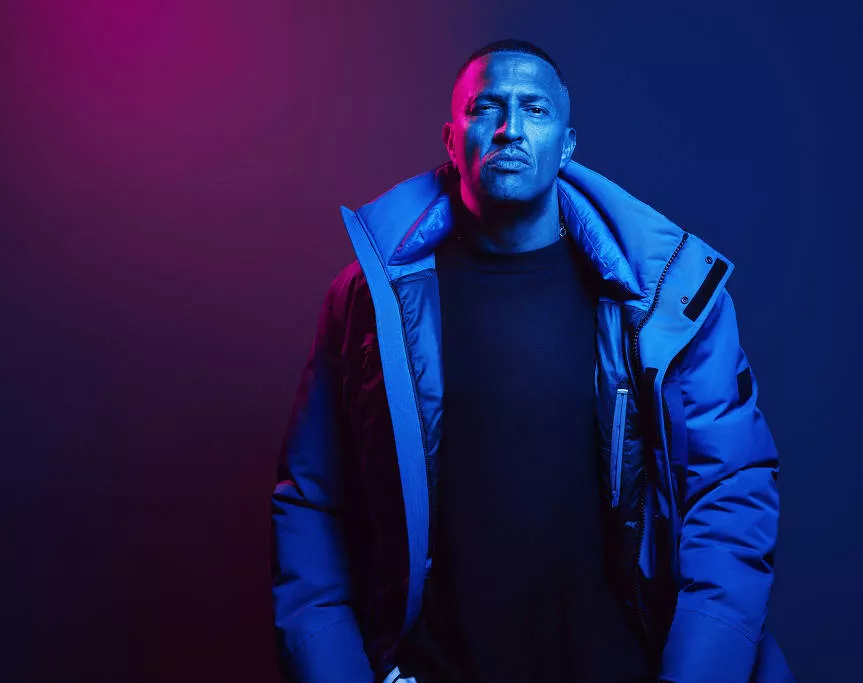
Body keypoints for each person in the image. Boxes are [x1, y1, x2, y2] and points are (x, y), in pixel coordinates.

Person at [271, 39, 793, 683]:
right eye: (486, 107)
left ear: (567, 145)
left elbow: (731, 491)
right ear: (451, 139)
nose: (510, 128)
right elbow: (312, 502)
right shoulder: (369, 300)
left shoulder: (665, 301)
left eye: (535, 110)